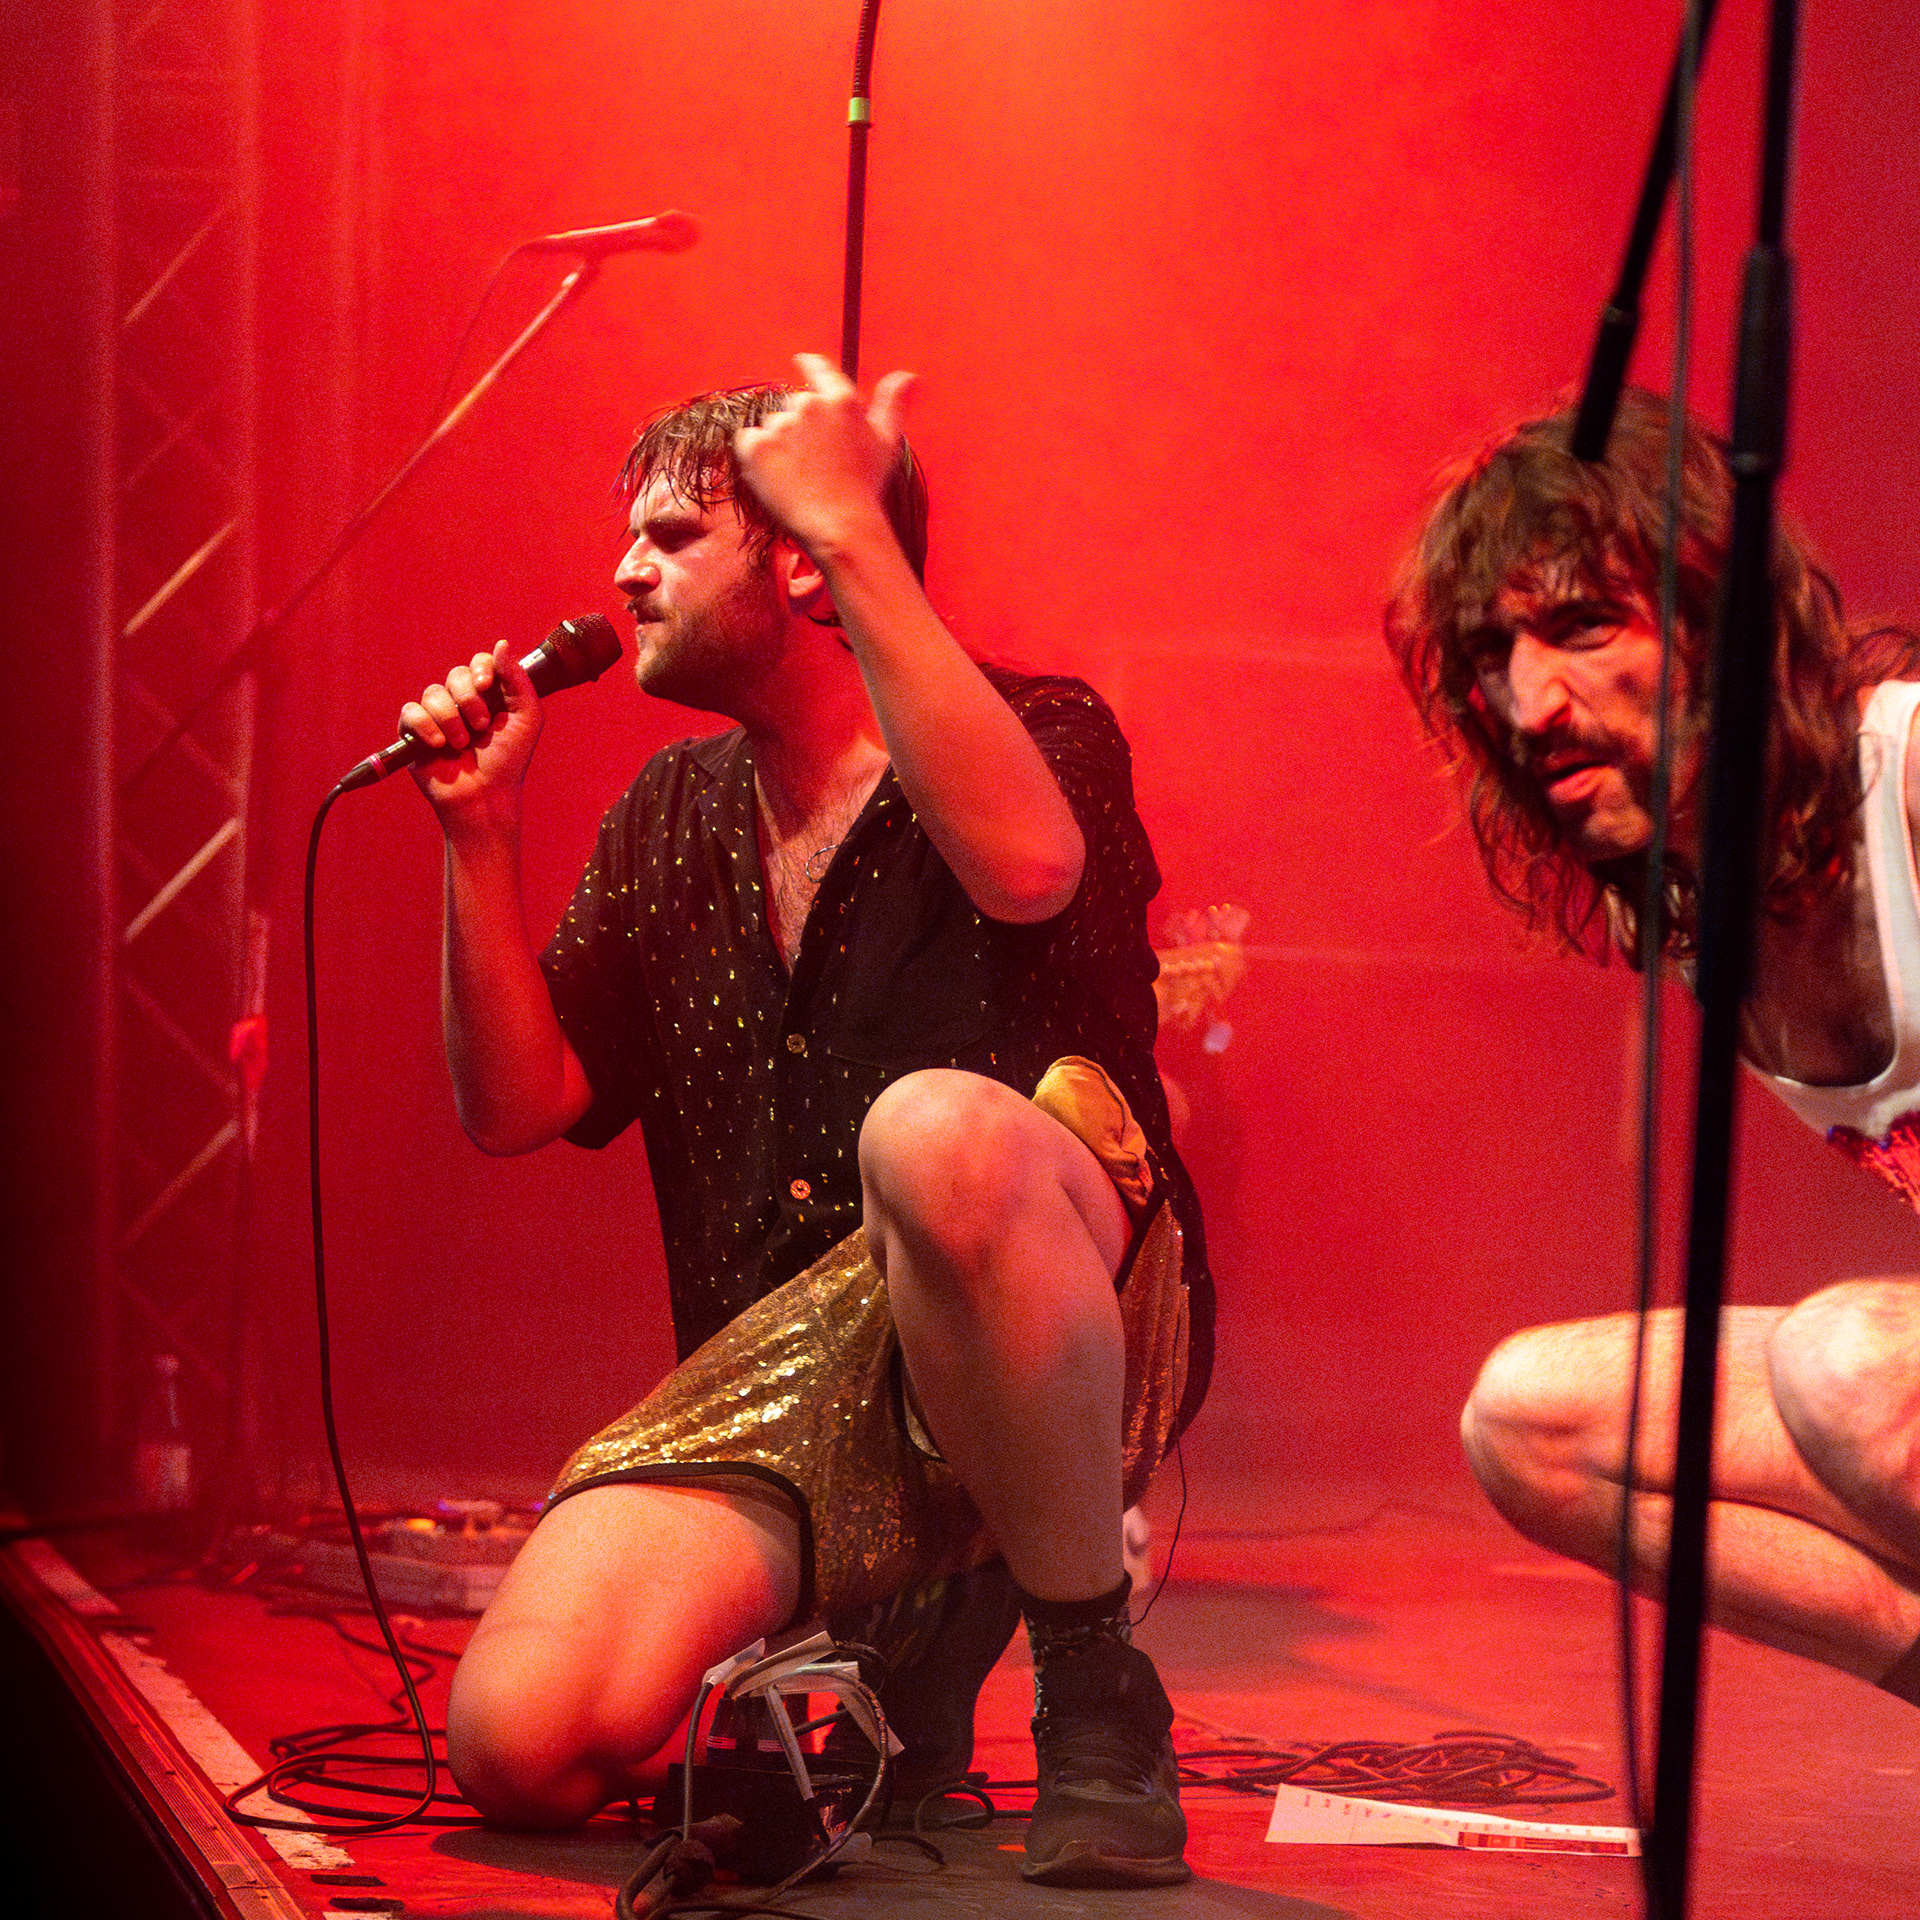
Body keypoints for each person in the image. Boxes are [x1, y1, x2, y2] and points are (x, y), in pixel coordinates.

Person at [398, 353, 1212, 1886]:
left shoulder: (1040, 729)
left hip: (1062, 1310)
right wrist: (480, 836)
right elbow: (516, 1106)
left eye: (670, 536)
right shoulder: (667, 815)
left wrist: (854, 527)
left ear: (798, 562)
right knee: (519, 1739)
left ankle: (1095, 1685)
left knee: (931, 1136)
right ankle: (857, 1664)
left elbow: (1028, 871)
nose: (623, 573)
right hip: (800, 1377)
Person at [1386, 387, 1920, 1705]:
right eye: (1495, 653)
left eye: (1582, 627)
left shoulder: (1908, 778)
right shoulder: (1682, 908)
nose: (1531, 703)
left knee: (1851, 1368)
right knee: (1531, 1420)